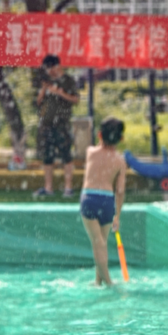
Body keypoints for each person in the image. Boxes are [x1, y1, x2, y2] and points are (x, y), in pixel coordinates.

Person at [79, 116, 127, 287]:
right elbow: (120, 191)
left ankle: (107, 281)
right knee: (102, 242)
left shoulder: (91, 152)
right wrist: (117, 216)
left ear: (99, 134)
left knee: (97, 242)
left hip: (90, 198)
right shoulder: (120, 161)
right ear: (121, 139)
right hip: (107, 201)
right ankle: (98, 281)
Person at [33, 54, 80, 198]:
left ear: (58, 66)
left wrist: (60, 93)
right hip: (46, 123)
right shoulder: (46, 81)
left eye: (51, 68)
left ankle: (68, 188)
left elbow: (76, 100)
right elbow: (38, 102)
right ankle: (48, 188)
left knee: (66, 154)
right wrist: (43, 89)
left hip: (62, 123)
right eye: (47, 69)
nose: (50, 71)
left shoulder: (68, 81)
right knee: (47, 156)